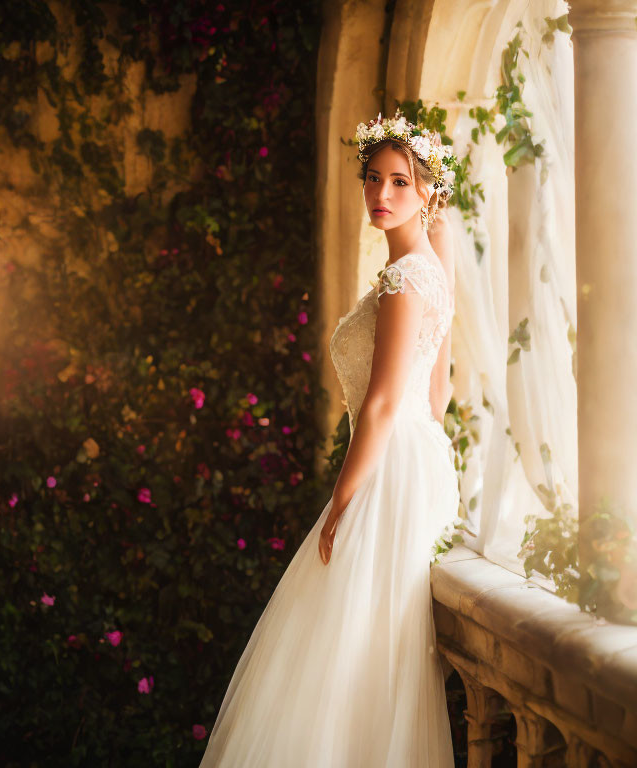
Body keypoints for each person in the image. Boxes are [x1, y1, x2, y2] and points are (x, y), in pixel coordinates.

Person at [199, 109, 460, 767]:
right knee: (361, 648)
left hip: (389, 465)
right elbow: (439, 396)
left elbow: (379, 405)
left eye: (400, 182)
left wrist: (343, 502)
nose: (381, 195)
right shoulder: (428, 267)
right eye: (373, 178)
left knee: (346, 649)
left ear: (427, 190)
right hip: (415, 458)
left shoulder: (406, 278)